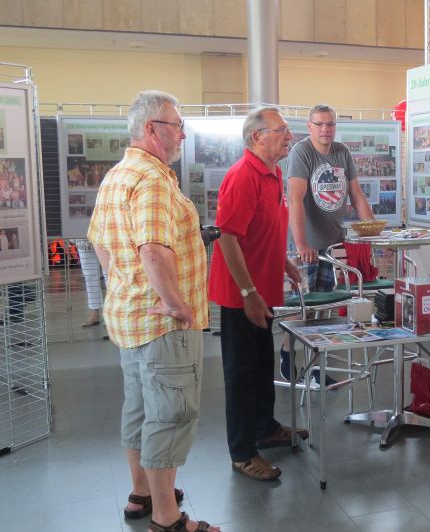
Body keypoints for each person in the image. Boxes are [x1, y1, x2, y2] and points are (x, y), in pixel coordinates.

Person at [88, 90, 219, 531]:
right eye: (177, 126)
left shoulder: (118, 175)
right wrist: (176, 302)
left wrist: (127, 285)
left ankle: (141, 493)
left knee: (140, 408)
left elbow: (101, 244)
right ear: (151, 129)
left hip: (132, 320)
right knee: (170, 415)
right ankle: (167, 518)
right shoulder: (153, 180)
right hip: (163, 325)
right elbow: (152, 248)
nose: (182, 135)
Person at [208, 107, 309, 482]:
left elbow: (262, 228)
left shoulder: (274, 172)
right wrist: (248, 292)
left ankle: (265, 428)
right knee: (241, 373)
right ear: (257, 137)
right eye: (281, 130)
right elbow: (227, 237)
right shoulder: (242, 176)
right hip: (242, 294)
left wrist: (282, 262)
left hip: (262, 289)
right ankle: (242, 452)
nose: (289, 136)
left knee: (262, 364)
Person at [282, 103, 374, 385]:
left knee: (325, 307)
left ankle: (315, 366)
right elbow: (295, 199)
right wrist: (301, 243)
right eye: (319, 124)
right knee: (304, 307)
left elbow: (356, 194)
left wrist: (371, 230)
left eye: (330, 124)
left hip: (333, 240)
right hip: (307, 245)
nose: (325, 129)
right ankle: (288, 353)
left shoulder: (342, 152)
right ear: (309, 127)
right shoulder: (301, 152)